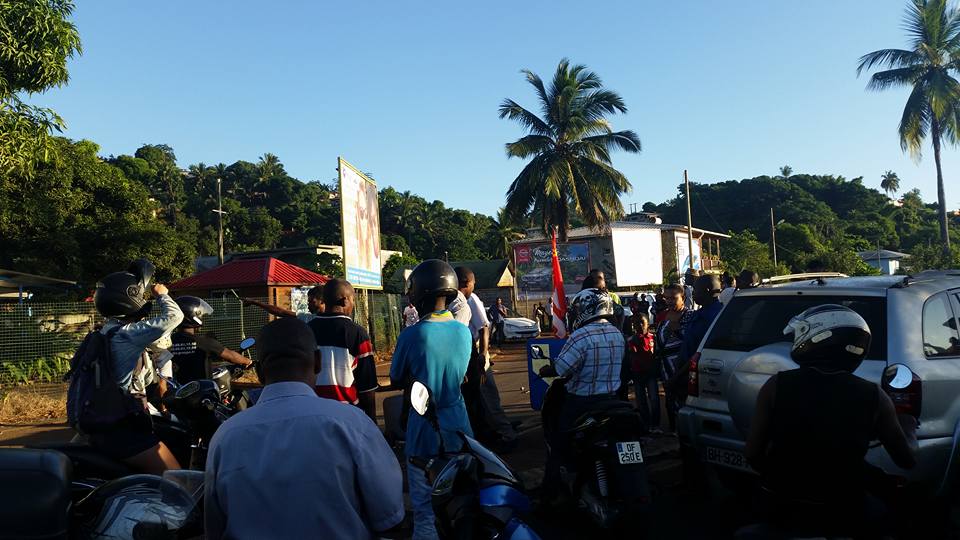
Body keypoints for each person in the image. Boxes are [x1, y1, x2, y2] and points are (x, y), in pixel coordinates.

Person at [205, 318, 403, 540]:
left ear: (260, 372)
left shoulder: (226, 436)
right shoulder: (352, 424)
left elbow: (214, 526)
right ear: (318, 362)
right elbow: (389, 513)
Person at [744, 305, 916, 536]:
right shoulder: (875, 396)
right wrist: (908, 429)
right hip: (844, 506)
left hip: (781, 502)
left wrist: (783, 477)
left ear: (817, 337)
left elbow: (753, 454)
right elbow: (906, 460)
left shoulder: (776, 386)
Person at [389, 260, 473, 540]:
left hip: (423, 429)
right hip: (459, 428)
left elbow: (397, 377)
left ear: (420, 292)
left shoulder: (413, 334)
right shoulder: (463, 331)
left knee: (425, 510)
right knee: (462, 503)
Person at [91, 259, 183, 474]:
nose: (144, 299)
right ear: (129, 297)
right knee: (179, 479)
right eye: (141, 295)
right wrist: (162, 294)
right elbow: (174, 316)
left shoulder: (104, 333)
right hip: (124, 426)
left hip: (102, 421)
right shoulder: (128, 334)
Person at [538, 288, 625, 498]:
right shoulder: (617, 334)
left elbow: (561, 369)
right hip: (612, 401)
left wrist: (547, 369)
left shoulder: (581, 336)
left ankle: (550, 495)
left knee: (558, 445)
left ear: (585, 309)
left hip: (582, 403)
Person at [455, 266, 518, 451]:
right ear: (467, 282)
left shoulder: (470, 300)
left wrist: (483, 354)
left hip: (474, 352)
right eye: (474, 283)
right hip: (461, 354)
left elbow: (484, 328)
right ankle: (483, 434)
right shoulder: (455, 299)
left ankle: (507, 435)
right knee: (471, 398)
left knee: (487, 394)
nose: (475, 286)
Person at [307, 278, 378, 422]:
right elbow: (367, 387)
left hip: (314, 413)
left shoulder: (306, 331)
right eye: (353, 299)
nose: (353, 304)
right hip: (348, 415)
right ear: (345, 301)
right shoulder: (357, 333)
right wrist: (372, 420)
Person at [170, 296, 252, 385]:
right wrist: (248, 362)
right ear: (192, 316)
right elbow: (230, 355)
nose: (202, 317)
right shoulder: (204, 342)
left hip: (176, 390)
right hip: (201, 391)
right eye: (200, 314)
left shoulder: (167, 342)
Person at [671, 275, 725, 402]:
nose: (693, 294)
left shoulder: (715, 317)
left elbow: (699, 353)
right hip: (685, 373)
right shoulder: (700, 313)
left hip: (698, 377)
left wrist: (676, 377)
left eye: (695, 290)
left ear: (706, 291)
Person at [655, 283, 693, 431]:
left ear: (682, 297)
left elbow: (692, 342)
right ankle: (673, 431)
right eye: (667, 298)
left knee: (683, 399)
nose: (670, 301)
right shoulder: (663, 315)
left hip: (681, 367)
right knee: (669, 399)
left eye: (673, 298)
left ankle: (684, 433)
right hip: (664, 367)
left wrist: (677, 330)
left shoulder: (690, 315)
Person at [625, 314, 660, 431]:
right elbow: (631, 356)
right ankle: (645, 424)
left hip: (650, 374)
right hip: (637, 374)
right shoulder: (631, 340)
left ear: (647, 324)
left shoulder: (653, 338)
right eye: (636, 323)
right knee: (641, 400)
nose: (640, 325)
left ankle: (655, 425)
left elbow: (656, 355)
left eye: (642, 323)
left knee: (654, 399)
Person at [243, 285, 325, 324]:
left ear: (323, 301)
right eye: (308, 302)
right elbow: (281, 312)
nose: (309, 305)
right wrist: (255, 302)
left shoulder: (336, 320)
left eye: (312, 301)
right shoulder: (309, 318)